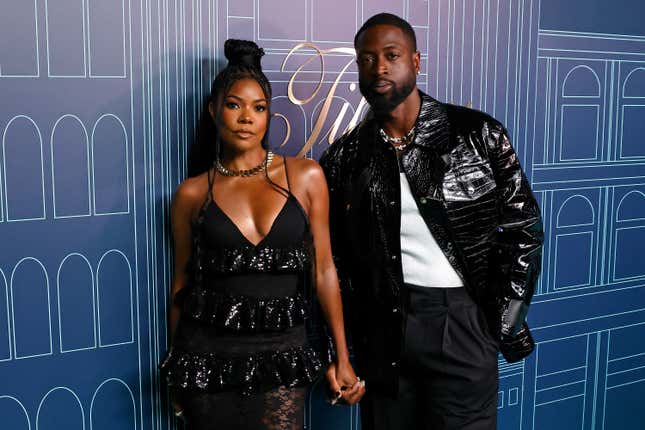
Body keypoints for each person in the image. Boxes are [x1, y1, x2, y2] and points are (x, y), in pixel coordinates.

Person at [320, 13, 544, 430]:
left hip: (461, 320)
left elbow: (524, 229)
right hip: (385, 327)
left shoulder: (478, 134)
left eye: (391, 55)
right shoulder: (345, 158)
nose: (379, 67)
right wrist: (346, 350)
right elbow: (337, 262)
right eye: (366, 59)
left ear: (417, 61)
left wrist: (497, 322)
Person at [160, 39, 364, 430]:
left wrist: (342, 355)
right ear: (213, 110)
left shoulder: (305, 176)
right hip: (207, 358)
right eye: (235, 105)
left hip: (282, 353)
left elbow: (324, 270)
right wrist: (178, 370)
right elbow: (180, 287)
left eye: (259, 108)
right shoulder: (192, 193)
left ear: (268, 115)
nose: (246, 118)